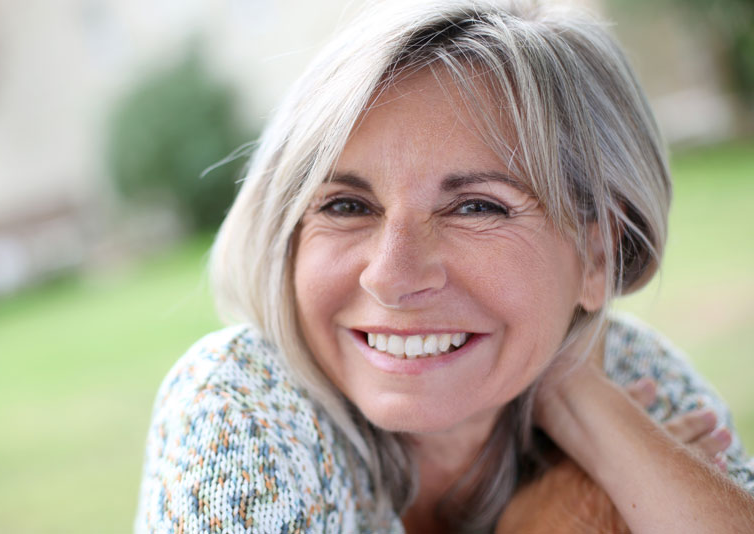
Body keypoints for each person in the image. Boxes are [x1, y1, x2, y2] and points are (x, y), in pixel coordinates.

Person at [134, 1, 754, 532]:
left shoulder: (633, 373)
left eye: (476, 206)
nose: (390, 277)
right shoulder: (242, 404)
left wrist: (581, 405)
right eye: (347, 205)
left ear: (598, 255)